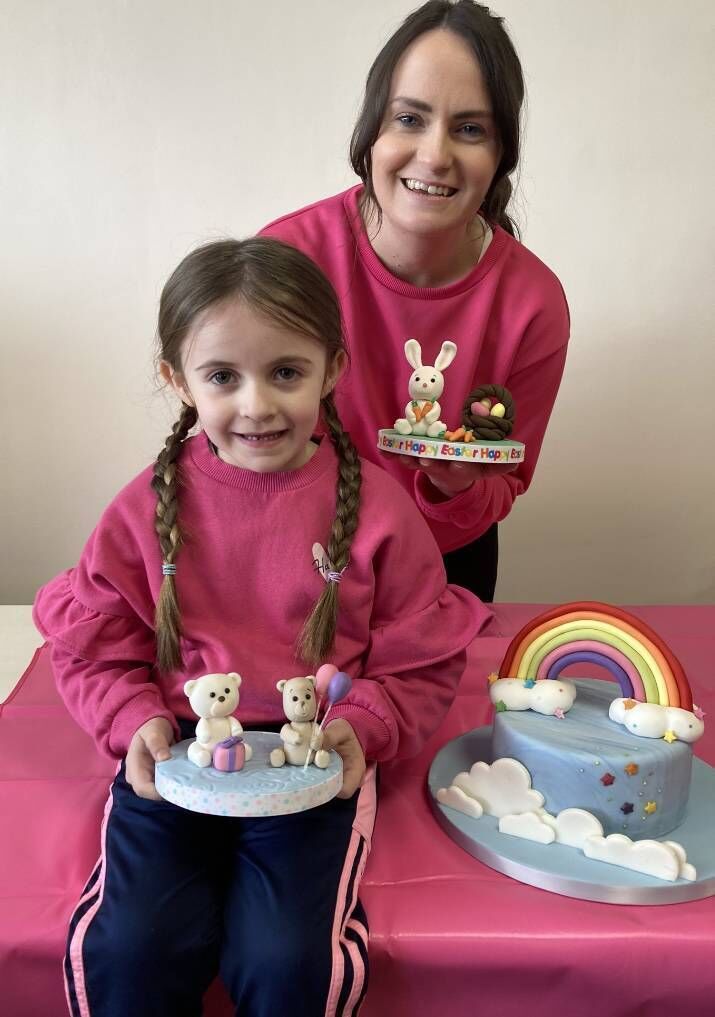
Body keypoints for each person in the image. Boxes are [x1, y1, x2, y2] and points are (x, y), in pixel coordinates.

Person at [33, 237, 489, 1017]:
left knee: (286, 960)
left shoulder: (379, 513)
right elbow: (93, 645)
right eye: (222, 376)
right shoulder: (142, 509)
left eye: (285, 372)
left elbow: (418, 659)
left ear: (331, 368)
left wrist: (363, 724)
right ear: (178, 378)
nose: (256, 404)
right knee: (129, 948)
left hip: (311, 765)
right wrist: (130, 715)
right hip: (175, 759)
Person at [261, 0, 570, 602]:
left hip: (447, 566)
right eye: (409, 118)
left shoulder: (534, 302)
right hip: (296, 554)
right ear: (371, 129)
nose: (434, 156)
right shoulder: (288, 261)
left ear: (501, 155)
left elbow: (506, 482)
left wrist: (458, 488)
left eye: (471, 129)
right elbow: (233, 437)